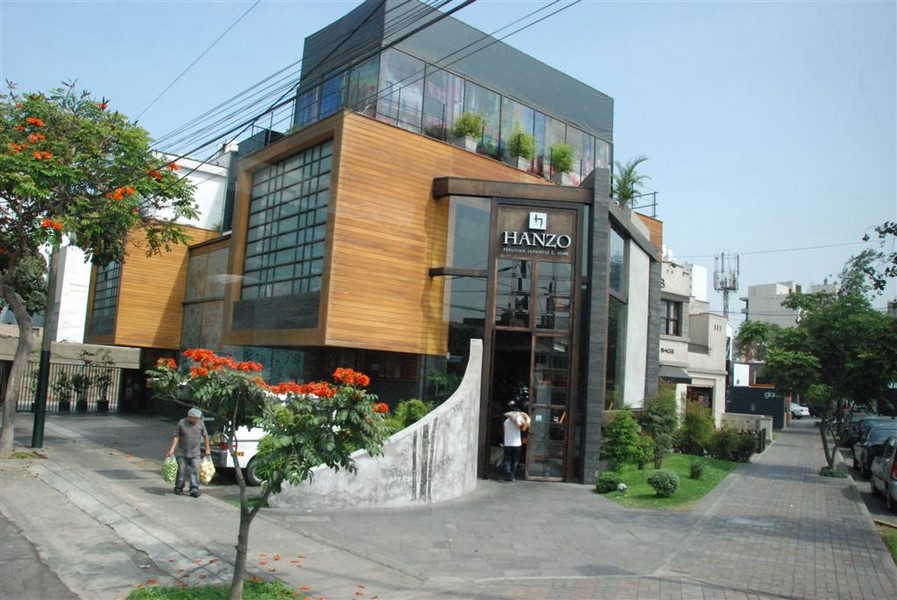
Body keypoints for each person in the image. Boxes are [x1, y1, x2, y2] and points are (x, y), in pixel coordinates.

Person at [167, 407, 211, 497]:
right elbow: (176, 436)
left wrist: (207, 448)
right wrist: (172, 449)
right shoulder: (181, 423)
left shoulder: (201, 423)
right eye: (193, 418)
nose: (195, 420)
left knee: (195, 471)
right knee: (181, 471)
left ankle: (194, 489)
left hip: (196, 453)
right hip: (182, 452)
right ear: (189, 417)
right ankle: (179, 487)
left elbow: (205, 436)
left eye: (197, 419)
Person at [502, 400, 530, 481]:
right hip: (517, 444)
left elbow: (504, 430)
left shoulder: (506, 421)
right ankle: (512, 475)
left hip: (507, 443)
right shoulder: (519, 421)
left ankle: (508, 472)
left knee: (507, 459)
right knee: (516, 460)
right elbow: (524, 428)